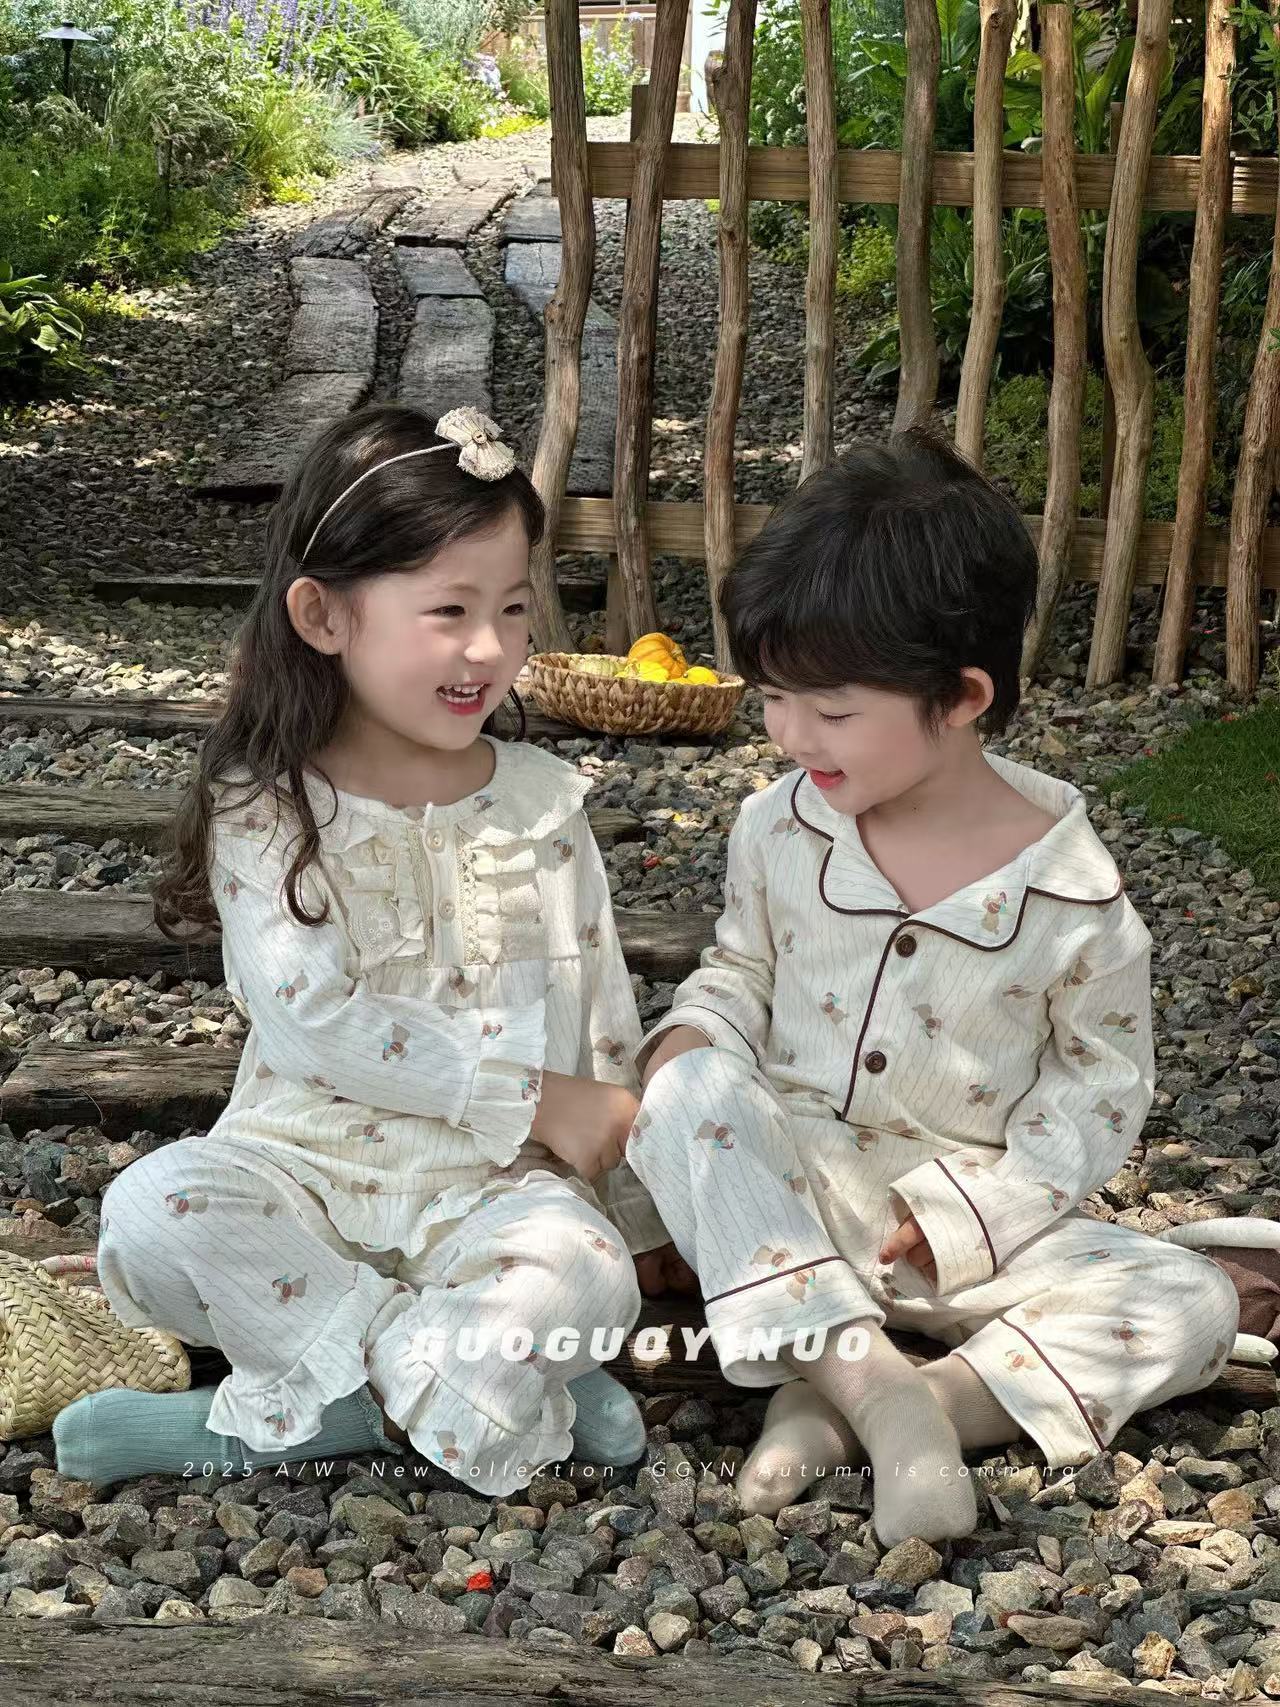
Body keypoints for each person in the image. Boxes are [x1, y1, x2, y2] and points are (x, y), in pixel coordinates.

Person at [53, 403, 692, 1494]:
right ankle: (480, 1387)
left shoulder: (541, 802)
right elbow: (312, 1020)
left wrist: (633, 1222)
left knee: (582, 1275)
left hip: (488, 1191)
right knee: (155, 1211)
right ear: (322, 614)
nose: (489, 648)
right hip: (297, 1171)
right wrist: (529, 1095)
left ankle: (292, 1417)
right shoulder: (265, 807)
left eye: (513, 608)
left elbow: (597, 1007)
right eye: (448, 610)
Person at [628, 430, 1240, 1546]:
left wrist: (967, 1213)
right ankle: (867, 1379)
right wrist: (693, 1035)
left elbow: (1097, 1095)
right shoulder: (779, 828)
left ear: (960, 697)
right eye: (772, 697)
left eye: (830, 711)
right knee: (689, 1096)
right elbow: (740, 968)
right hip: (790, 1198)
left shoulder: (1074, 898)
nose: (788, 735)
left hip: (961, 1240)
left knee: (1193, 1302)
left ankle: (903, 1407)